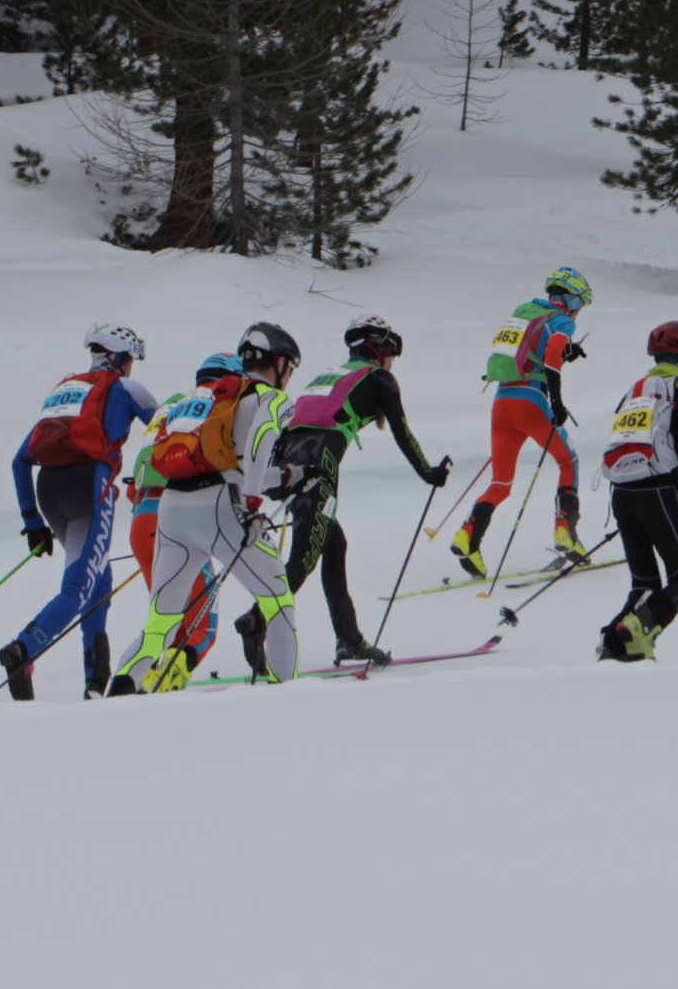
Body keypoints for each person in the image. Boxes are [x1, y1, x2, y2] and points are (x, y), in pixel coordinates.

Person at [129, 324, 304, 692]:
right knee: (277, 602)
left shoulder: (198, 400)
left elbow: (229, 462)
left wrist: (286, 476)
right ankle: (286, 696)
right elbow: (258, 443)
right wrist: (253, 502)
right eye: (290, 369)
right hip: (221, 507)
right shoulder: (267, 397)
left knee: (159, 625)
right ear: (280, 363)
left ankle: (117, 698)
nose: (289, 378)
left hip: (169, 508)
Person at [0, 323, 158, 700]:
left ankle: (94, 684)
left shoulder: (67, 391)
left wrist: (33, 524)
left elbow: (20, 462)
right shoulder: (127, 387)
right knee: (78, 588)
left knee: (97, 577)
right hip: (89, 484)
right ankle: (24, 649)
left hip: (50, 489)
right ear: (123, 358)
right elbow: (169, 429)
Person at [278, 315, 452, 666]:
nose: (392, 362)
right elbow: (402, 432)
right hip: (320, 456)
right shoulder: (379, 378)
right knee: (304, 555)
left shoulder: (330, 374)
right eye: (392, 354)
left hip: (287, 456)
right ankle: (255, 621)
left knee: (333, 543)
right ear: (380, 348)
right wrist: (429, 473)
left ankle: (349, 639)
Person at [110, 355, 238, 692]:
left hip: (142, 522)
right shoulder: (220, 404)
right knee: (200, 629)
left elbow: (135, 485)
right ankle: (161, 687)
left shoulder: (170, 408)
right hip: (181, 519)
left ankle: (127, 686)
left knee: (164, 623)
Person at [597, 321, 678, 661]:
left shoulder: (636, 390)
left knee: (644, 585)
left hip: (621, 494)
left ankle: (614, 645)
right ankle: (639, 627)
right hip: (658, 493)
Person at [455, 267, 589, 576]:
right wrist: (557, 401)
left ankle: (467, 538)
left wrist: (566, 352)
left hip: (502, 402)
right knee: (568, 462)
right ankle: (565, 532)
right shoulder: (563, 320)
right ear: (572, 301)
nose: (579, 311)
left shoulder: (525, 312)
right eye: (580, 304)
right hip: (532, 401)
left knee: (500, 484)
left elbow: (533, 351)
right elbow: (552, 352)